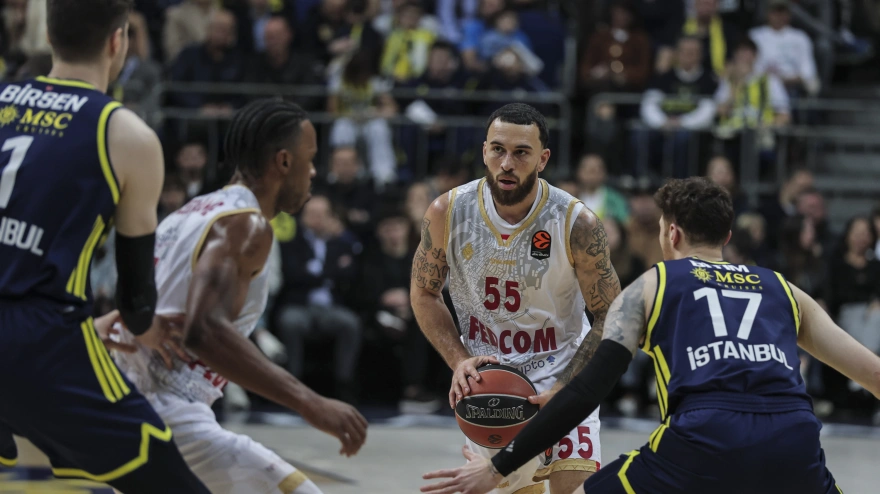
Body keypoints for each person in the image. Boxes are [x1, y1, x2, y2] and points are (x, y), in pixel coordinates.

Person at [422, 177, 880, 494]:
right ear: (726, 234)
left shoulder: (652, 285)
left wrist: (498, 467)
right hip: (793, 437)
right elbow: (873, 373)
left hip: (704, 434)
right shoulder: (785, 289)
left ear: (671, 232)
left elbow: (585, 392)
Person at [0, 0, 209, 491]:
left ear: (49, 37)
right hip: (40, 344)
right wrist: (147, 328)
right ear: (119, 41)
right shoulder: (126, 133)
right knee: (167, 477)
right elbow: (135, 301)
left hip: (24, 332)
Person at [112, 100, 369, 494]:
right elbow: (204, 329)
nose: (314, 172)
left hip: (123, 393)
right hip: (167, 403)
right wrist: (310, 403)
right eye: (310, 158)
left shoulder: (189, 213)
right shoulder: (246, 225)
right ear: (283, 161)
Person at [411, 103, 622, 494]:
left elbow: (613, 313)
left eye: (521, 153)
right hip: (491, 381)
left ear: (542, 159)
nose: (507, 163)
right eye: (498, 150)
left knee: (571, 489)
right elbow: (424, 293)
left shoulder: (577, 223)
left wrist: (569, 386)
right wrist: (458, 362)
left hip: (561, 370)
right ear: (484, 151)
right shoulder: (447, 212)